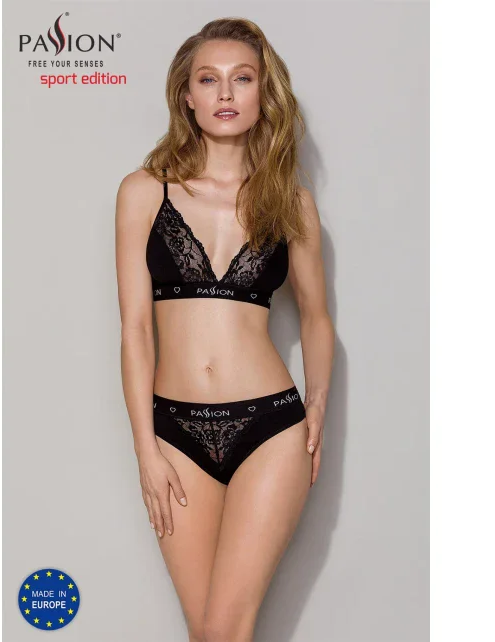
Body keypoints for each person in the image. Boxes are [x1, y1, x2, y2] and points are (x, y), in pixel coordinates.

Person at [115, 17, 335, 642]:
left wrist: (318, 402)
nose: (226, 93)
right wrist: (145, 449)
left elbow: (317, 317)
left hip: (271, 428)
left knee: (226, 629)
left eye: (243, 78)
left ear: (264, 93)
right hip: (174, 432)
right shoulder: (142, 192)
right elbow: (135, 330)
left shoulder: (290, 202)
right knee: (206, 632)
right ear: (187, 95)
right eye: (208, 80)